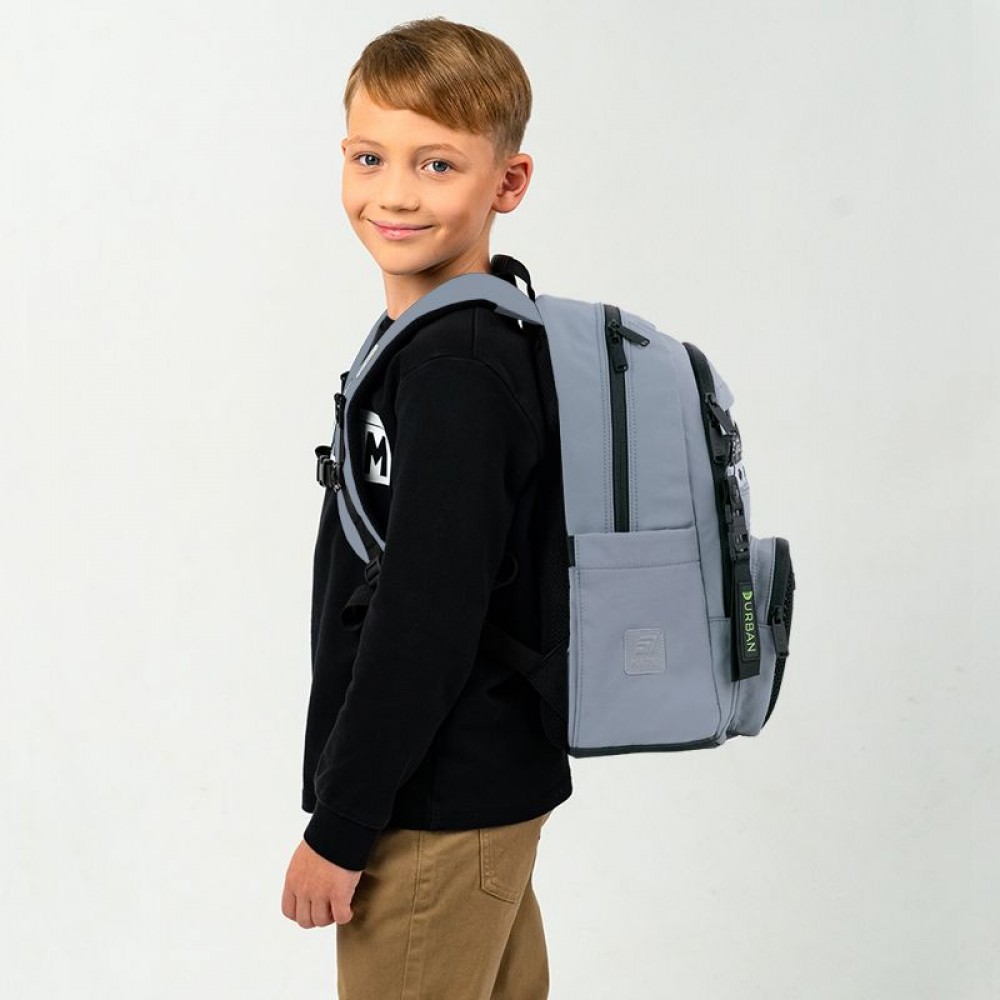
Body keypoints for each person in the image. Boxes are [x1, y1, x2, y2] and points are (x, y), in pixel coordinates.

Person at [281, 16, 573, 999]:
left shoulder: (457, 369)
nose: (395, 193)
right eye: (370, 157)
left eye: (437, 163)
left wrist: (342, 824)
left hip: (431, 808)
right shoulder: (457, 336)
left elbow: (425, 615)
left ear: (508, 183)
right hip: (476, 790)